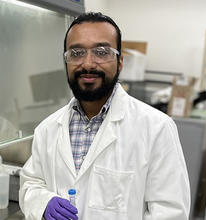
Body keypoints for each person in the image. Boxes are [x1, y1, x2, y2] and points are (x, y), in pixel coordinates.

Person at [19, 12, 190, 220]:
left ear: (119, 62)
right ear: (66, 61)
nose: (88, 63)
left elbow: (170, 212)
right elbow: (31, 183)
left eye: (101, 52)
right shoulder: (47, 129)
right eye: (77, 53)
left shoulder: (157, 128)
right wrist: (43, 203)